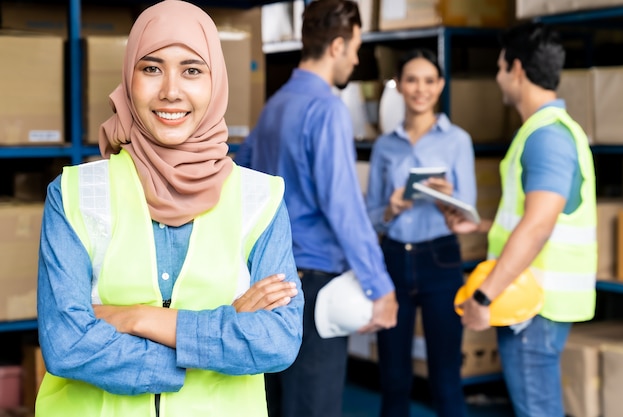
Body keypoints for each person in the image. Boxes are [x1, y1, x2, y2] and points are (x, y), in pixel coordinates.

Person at [35, 2, 304, 416]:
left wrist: (138, 318)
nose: (171, 91)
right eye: (151, 68)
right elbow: (66, 345)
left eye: (192, 70)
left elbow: (277, 341)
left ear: (216, 81)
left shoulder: (260, 198)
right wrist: (216, 337)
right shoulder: (74, 194)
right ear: (129, 78)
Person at [235, 1, 398, 416]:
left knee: (273, 403)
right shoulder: (326, 109)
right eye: (356, 47)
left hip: (266, 282)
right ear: (338, 46)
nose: (358, 59)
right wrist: (380, 286)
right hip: (312, 288)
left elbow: (240, 185)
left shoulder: (272, 109)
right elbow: (343, 207)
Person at [445, 22, 597, 417]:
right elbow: (538, 216)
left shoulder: (546, 136)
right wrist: (479, 227)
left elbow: (538, 226)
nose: (497, 78)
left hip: (534, 305)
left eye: (498, 67)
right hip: (534, 302)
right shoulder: (550, 130)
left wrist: (483, 296)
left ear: (516, 69)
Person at [365, 48, 475, 417]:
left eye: (429, 81)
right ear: (399, 86)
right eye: (412, 80)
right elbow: (370, 216)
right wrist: (391, 208)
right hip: (393, 258)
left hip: (440, 257)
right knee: (394, 379)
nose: (420, 89)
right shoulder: (385, 145)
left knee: (445, 378)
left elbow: (469, 211)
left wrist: (450, 199)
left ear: (440, 85)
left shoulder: (457, 140)